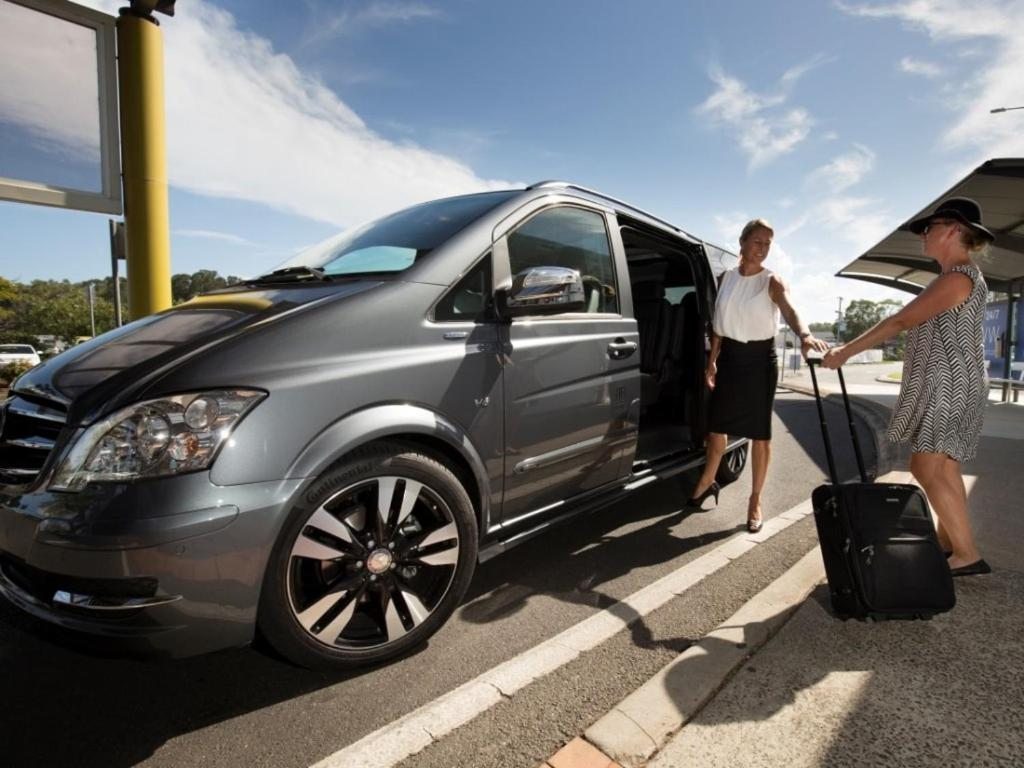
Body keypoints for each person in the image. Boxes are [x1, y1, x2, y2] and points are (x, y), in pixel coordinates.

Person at [821, 197, 993, 577]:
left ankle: (966, 553)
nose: (923, 237)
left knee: (926, 466)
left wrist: (845, 353)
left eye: (930, 229)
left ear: (953, 229)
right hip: (954, 381)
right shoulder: (963, 275)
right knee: (945, 469)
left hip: (948, 383)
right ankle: (952, 545)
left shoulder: (957, 277)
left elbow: (899, 322)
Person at [687, 219, 828, 532]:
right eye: (758, 242)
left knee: (760, 434)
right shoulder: (725, 279)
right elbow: (719, 325)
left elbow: (790, 309)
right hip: (730, 359)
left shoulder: (771, 280)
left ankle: (755, 500)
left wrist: (804, 335)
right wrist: (712, 361)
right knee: (716, 424)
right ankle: (709, 478)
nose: (763, 249)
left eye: (768, 244)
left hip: (759, 361)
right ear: (743, 241)